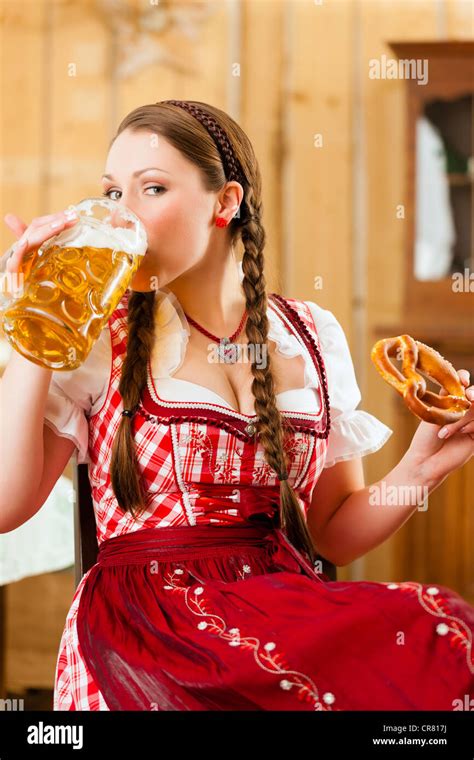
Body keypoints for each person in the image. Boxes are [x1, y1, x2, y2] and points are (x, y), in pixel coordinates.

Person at [1, 100, 473, 712]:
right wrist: (36, 324)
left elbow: (333, 533)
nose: (124, 216)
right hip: (145, 633)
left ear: (225, 202)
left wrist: (421, 467)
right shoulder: (98, 335)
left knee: (444, 630)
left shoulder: (310, 334)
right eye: (113, 194)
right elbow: (7, 507)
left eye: (152, 189)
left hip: (279, 616)